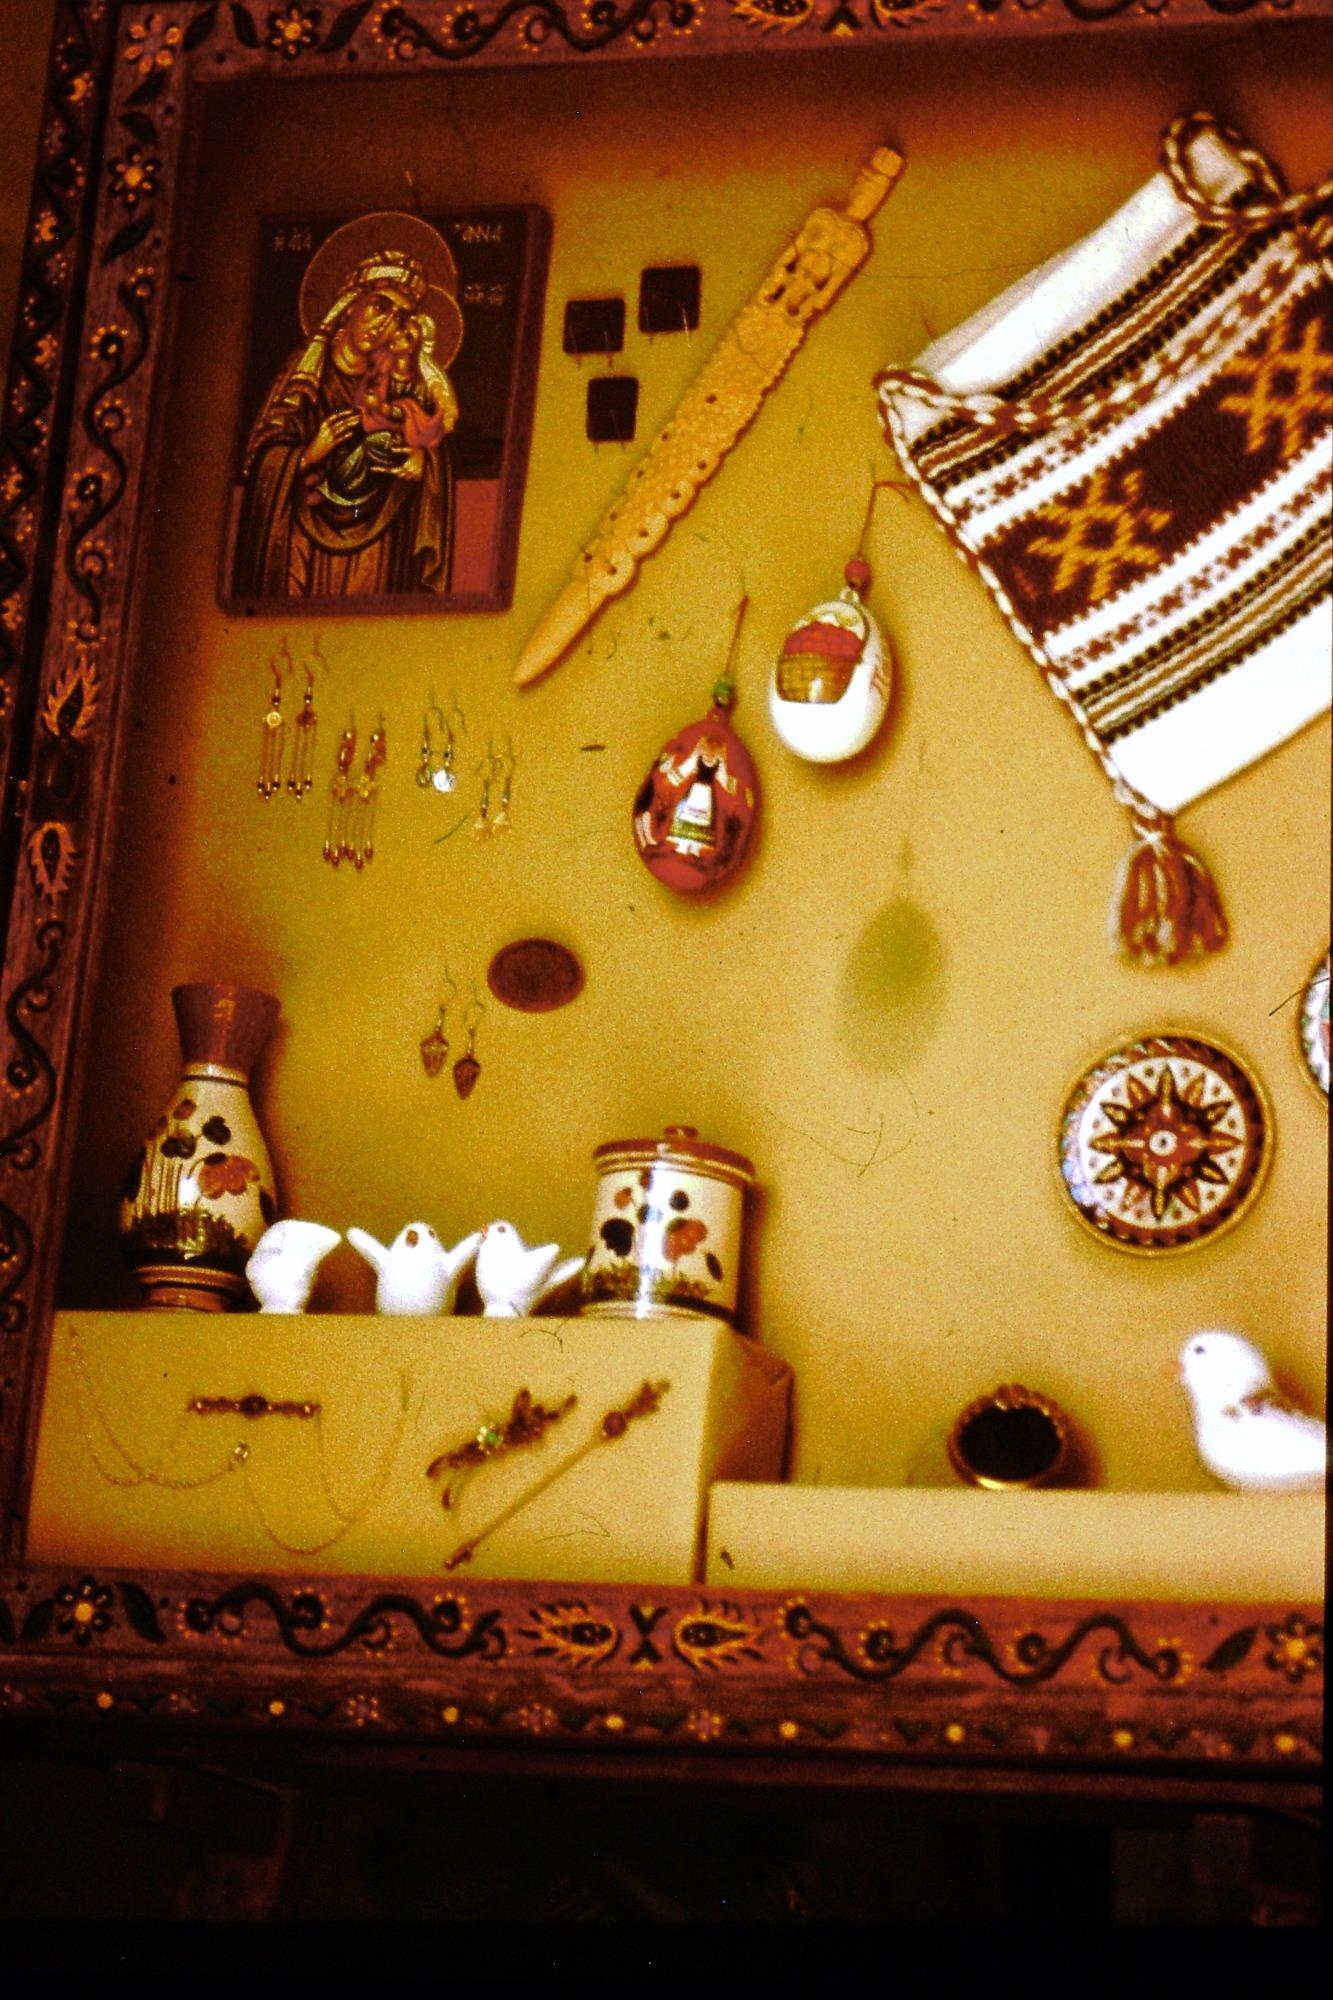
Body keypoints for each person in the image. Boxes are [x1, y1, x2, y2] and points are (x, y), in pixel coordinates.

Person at [231, 250, 458, 600]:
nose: (384, 325)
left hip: (376, 543)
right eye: (380, 306)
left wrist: (422, 460)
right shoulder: (304, 376)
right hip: (300, 539)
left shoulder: (396, 382)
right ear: (351, 304)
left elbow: (430, 437)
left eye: (399, 318)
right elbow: (261, 464)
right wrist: (307, 455)